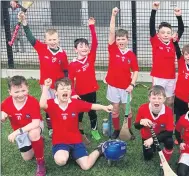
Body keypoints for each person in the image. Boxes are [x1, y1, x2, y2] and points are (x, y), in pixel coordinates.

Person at [39, 78, 112, 170]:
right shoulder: (51, 104)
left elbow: (91, 106)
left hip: (76, 141)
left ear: (71, 92)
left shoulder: (75, 103)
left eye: (68, 88)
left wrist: (104, 107)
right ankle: (66, 153)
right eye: (62, 89)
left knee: (86, 166)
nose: (65, 90)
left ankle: (100, 148)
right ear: (56, 92)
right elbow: (42, 105)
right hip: (60, 142)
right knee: (61, 161)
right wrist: (45, 88)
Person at [19, 12, 69, 137]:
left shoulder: (63, 54)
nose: (52, 42)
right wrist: (25, 23)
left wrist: (66, 84)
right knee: (48, 107)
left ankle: (61, 123)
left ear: (58, 39)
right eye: (50, 40)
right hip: (45, 85)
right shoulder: (41, 48)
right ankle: (51, 128)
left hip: (58, 85)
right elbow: (31, 38)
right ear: (45, 40)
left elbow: (65, 70)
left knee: (59, 104)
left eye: (54, 39)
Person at [1, 76, 46, 176]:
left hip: (34, 127)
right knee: (27, 158)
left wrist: (17, 132)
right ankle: (38, 141)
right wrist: (2, 115)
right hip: (21, 132)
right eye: (16, 92)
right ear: (10, 92)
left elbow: (35, 123)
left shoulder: (33, 101)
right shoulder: (6, 103)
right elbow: (1, 113)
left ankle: (41, 162)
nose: (21, 94)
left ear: (28, 88)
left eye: (23, 90)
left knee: (34, 133)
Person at [106, 7, 139, 139]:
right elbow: (111, 31)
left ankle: (127, 129)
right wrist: (113, 15)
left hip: (126, 87)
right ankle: (117, 129)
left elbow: (135, 70)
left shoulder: (131, 54)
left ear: (127, 39)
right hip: (113, 86)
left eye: (123, 39)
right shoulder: (112, 49)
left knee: (127, 110)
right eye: (118, 39)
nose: (120, 41)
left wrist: (132, 84)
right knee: (115, 108)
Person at [68, 17, 101, 144]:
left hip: (91, 91)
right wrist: (74, 93)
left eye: (86, 46)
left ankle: (94, 130)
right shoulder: (73, 65)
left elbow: (95, 43)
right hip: (79, 94)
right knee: (79, 114)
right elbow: (70, 80)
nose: (85, 48)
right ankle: (80, 132)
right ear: (75, 49)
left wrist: (92, 26)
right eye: (81, 46)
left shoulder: (90, 58)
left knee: (92, 112)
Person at [150, 1, 184, 109]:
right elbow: (151, 26)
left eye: (168, 33)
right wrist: (154, 10)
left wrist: (179, 16)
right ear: (158, 34)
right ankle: (156, 119)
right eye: (163, 33)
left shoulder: (173, 42)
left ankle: (168, 121)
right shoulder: (156, 42)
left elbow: (181, 29)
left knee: (170, 101)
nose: (165, 35)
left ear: (171, 34)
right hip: (158, 77)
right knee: (157, 100)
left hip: (171, 77)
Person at [134, 85, 175, 175]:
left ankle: (164, 162)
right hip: (147, 136)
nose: (157, 100)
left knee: (169, 141)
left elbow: (169, 131)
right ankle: (153, 147)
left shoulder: (168, 111)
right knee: (148, 156)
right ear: (149, 98)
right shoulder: (143, 108)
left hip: (161, 135)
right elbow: (136, 126)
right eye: (154, 98)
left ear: (164, 99)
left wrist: (152, 139)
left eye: (160, 98)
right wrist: (141, 122)